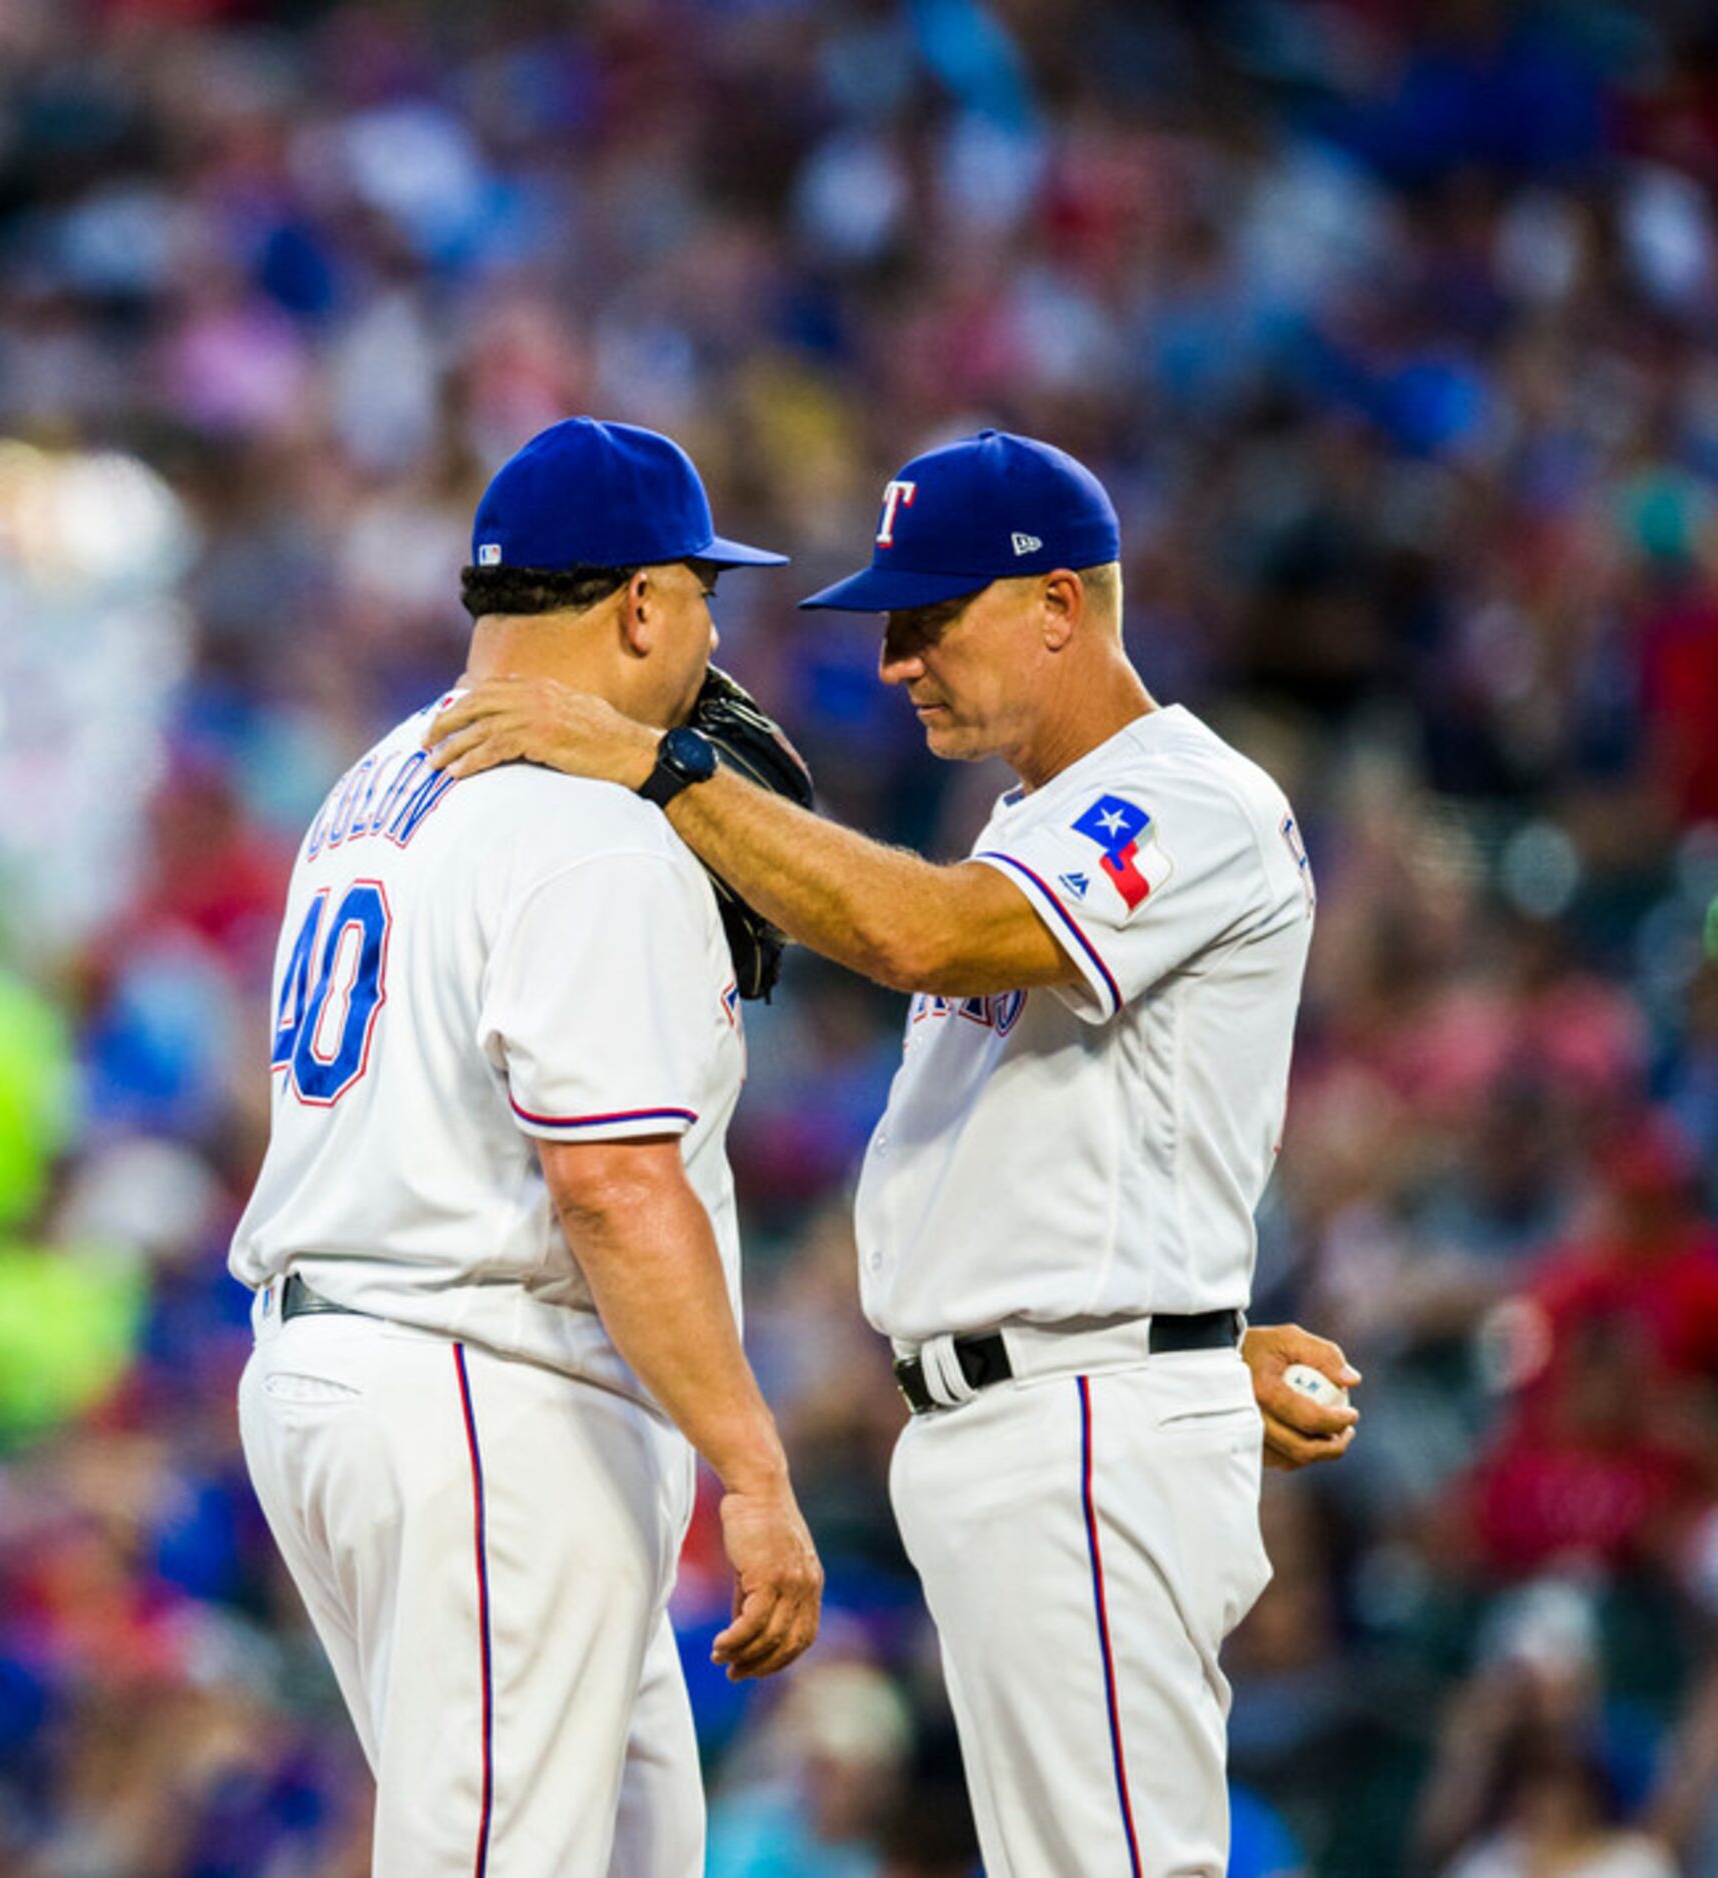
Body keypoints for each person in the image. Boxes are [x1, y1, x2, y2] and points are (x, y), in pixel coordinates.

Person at [427, 429, 1361, 1876]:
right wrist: (1187, 1333)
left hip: (1081, 1430)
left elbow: (919, 932)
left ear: (1056, 604)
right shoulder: (1029, 822)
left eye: (931, 616)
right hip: (1044, 1409)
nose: (894, 658)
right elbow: (1076, 1142)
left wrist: (659, 768)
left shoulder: (1182, 793)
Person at [231, 417, 825, 1876]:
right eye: (700, 593)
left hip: (352, 1359)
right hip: (482, 1385)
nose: (709, 632)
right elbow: (614, 1183)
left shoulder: (372, 780)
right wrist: (752, 1466)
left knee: (626, 1842)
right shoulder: (594, 827)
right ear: (635, 603)